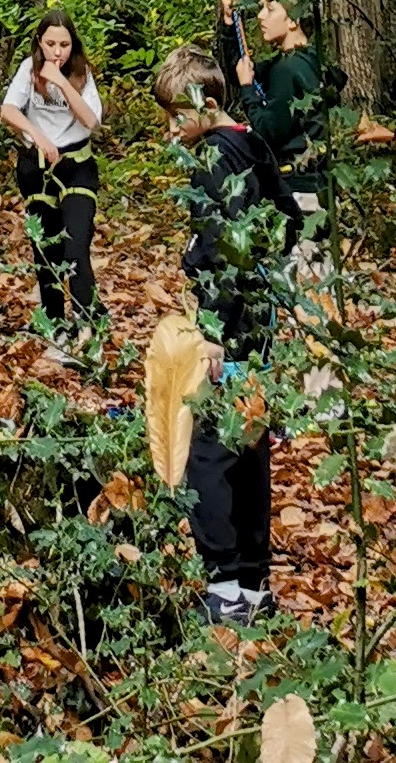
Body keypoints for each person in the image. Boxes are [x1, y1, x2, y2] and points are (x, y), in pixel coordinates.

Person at [152, 45, 290, 632]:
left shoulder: (214, 155)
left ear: (204, 105)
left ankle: (227, 580)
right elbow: (285, 218)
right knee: (249, 438)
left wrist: (212, 330)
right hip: (260, 319)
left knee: (207, 451)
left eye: (174, 114)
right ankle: (256, 579)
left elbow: (220, 245)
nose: (169, 127)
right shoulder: (252, 144)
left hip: (228, 329)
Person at [0, 11, 102, 333]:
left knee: (76, 245)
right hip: (37, 167)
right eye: (51, 44)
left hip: (76, 168)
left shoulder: (81, 72)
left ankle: (87, 323)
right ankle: (53, 321)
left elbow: (92, 121)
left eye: (65, 44)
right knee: (46, 248)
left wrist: (61, 82)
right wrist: (38, 136)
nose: (58, 52)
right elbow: (8, 110)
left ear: (74, 44)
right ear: (40, 43)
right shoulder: (28, 69)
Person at [245, 0, 329, 280]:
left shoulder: (288, 70)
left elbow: (268, 130)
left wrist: (247, 92)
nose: (260, 16)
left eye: (271, 8)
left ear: (293, 20)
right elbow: (248, 69)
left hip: (299, 189)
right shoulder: (308, 61)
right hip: (317, 186)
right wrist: (231, 28)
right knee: (316, 270)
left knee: (300, 276)